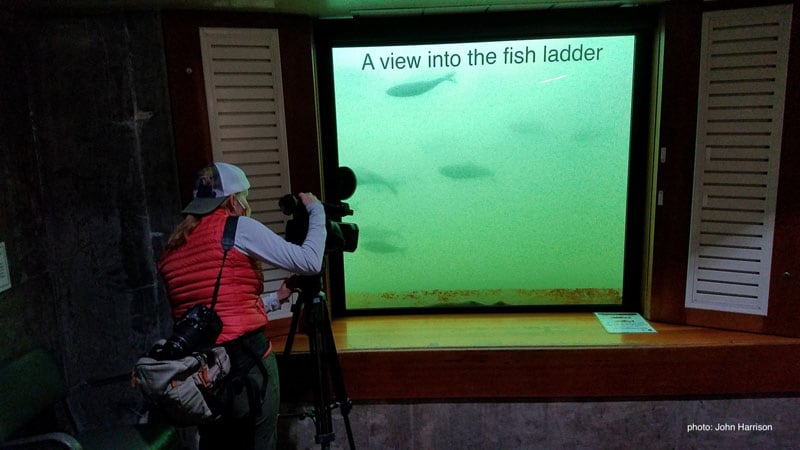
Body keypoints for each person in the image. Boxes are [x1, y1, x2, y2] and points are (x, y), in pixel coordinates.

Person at [157, 162, 326, 450]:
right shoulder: (237, 227)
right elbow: (310, 261)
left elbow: (210, 316)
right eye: (245, 197)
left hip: (204, 373)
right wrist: (317, 210)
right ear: (233, 200)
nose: (247, 204)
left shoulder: (174, 246)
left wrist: (275, 299)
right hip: (248, 364)